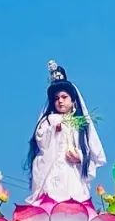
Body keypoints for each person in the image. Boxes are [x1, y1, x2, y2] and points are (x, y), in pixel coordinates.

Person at [24, 61, 106, 206]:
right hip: (51, 171)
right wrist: (53, 130)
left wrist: (80, 158)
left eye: (64, 97)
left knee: (73, 206)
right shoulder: (49, 120)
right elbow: (41, 142)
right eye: (56, 98)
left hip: (72, 172)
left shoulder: (79, 125)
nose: (60, 101)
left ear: (73, 101)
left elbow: (89, 151)